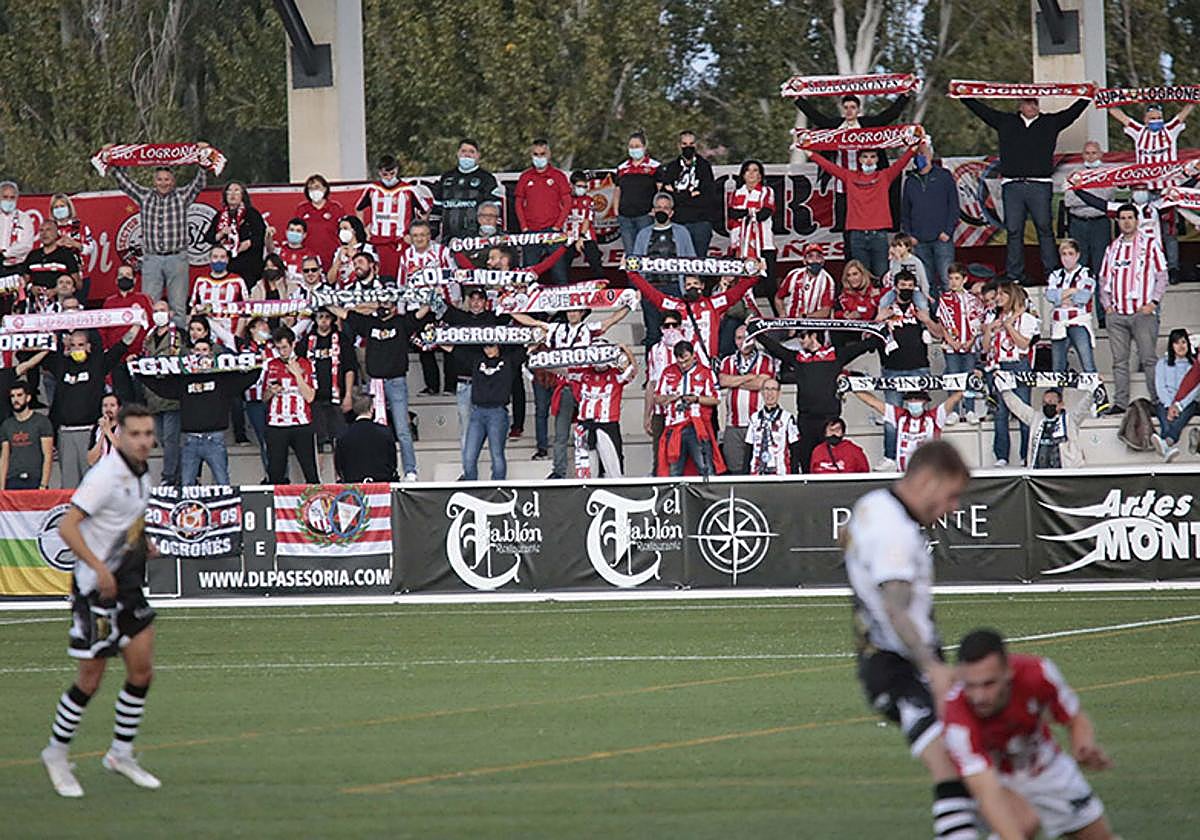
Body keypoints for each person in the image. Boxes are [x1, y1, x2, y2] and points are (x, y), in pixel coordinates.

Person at [843, 439, 975, 840]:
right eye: (952, 495)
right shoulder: (895, 532)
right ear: (928, 480)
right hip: (901, 667)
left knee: (973, 767)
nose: (953, 507)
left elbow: (844, 537)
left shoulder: (872, 503)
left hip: (885, 660)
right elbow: (896, 608)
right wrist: (932, 668)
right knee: (955, 767)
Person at [39, 403, 160, 798]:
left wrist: (144, 542)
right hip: (95, 589)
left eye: (148, 433)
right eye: (136, 434)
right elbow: (67, 527)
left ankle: (120, 753)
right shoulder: (105, 476)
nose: (143, 441)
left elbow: (123, 521)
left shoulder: (142, 473)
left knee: (142, 671)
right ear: (120, 435)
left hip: (126, 584)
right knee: (90, 679)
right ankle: (56, 753)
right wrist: (99, 568)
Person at [943, 629, 1116, 840]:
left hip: (1047, 769)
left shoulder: (1039, 673)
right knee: (1023, 822)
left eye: (989, 684)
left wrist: (1083, 746)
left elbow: (1074, 718)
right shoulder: (957, 719)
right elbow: (986, 792)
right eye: (970, 685)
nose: (979, 697)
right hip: (994, 778)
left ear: (1008, 671)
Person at [959, 95, 1089, 281]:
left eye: (1034, 103)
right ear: (1020, 105)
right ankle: (1014, 275)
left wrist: (1086, 97)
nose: (1031, 106)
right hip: (1012, 184)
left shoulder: (1050, 122)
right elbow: (983, 111)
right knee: (1013, 231)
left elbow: (1072, 114)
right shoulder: (1006, 121)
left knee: (1044, 229)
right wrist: (963, 95)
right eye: (1027, 103)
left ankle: (1052, 273)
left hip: (1040, 184)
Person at [793, 91, 910, 251]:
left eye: (853, 107)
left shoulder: (867, 125)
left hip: (868, 186)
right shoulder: (835, 127)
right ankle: (851, 268)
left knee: (872, 226)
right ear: (842, 110)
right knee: (846, 230)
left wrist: (905, 95)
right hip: (843, 185)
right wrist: (799, 100)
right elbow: (817, 118)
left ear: (859, 110)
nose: (849, 111)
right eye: (846, 107)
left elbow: (889, 115)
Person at [754, 325, 878, 472]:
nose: (799, 340)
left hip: (830, 420)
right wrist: (757, 333)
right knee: (807, 464)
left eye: (803, 336)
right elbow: (776, 349)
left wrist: (881, 331)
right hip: (806, 421)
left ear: (814, 336)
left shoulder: (835, 355)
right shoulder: (799, 358)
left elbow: (862, 347)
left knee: (832, 464)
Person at [138, 338, 261, 486]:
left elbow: (247, 379)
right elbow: (163, 389)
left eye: (204, 350)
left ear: (211, 353)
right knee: (187, 486)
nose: (200, 354)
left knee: (223, 484)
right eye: (197, 350)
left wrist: (259, 362)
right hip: (190, 441)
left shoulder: (222, 378)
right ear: (191, 353)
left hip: (215, 440)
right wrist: (139, 371)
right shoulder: (184, 378)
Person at [331, 298, 428, 481]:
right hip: (375, 383)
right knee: (372, 428)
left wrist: (433, 295)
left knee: (402, 429)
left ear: (394, 306)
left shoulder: (401, 322)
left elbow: (421, 312)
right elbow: (345, 314)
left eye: (389, 304)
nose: (384, 307)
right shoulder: (369, 323)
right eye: (382, 303)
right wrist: (322, 301)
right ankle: (374, 469)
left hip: (396, 382)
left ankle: (410, 470)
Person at [33, 327, 139, 488]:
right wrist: (49, 341)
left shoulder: (98, 364)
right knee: (69, 484)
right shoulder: (61, 365)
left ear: (89, 346)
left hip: (90, 432)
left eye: (81, 345)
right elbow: (30, 355)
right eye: (73, 345)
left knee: (92, 482)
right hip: (65, 433)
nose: (77, 349)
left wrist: (136, 323)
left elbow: (122, 345)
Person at [810, 143, 918, 280]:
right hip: (857, 235)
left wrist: (915, 145)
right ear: (859, 160)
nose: (869, 160)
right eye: (865, 157)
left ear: (877, 159)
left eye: (873, 157)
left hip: (879, 234)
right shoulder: (849, 176)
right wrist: (809, 152)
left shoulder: (885, 176)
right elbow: (829, 167)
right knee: (861, 278)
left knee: (882, 277)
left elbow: (902, 161)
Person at [1099, 203, 1167, 414]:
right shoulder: (1112, 247)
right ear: (1117, 222)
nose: (1127, 221)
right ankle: (1120, 403)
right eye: (1123, 218)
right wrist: (1107, 306)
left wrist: (1153, 303)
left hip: (1141, 313)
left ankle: (1157, 401)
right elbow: (1103, 279)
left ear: (1137, 220)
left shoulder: (1150, 244)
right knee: (1119, 361)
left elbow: (1162, 276)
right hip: (1117, 314)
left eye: (1130, 217)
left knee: (1148, 359)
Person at [876, 269, 945, 467]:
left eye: (909, 286)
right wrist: (879, 319)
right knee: (891, 417)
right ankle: (890, 457)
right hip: (892, 369)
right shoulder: (887, 307)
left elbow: (939, 334)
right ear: (895, 287)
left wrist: (927, 320)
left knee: (925, 417)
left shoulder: (920, 308)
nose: (906, 289)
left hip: (919, 368)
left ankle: (929, 458)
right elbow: (868, 337)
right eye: (902, 286)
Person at [627, 269, 756, 369]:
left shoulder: (714, 304)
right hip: (683, 365)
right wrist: (632, 273)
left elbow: (738, 291)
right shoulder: (677, 305)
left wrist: (756, 273)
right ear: (684, 287)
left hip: (706, 365)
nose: (692, 287)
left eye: (695, 283)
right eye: (688, 284)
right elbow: (652, 294)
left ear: (702, 286)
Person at [982, 281, 1039, 467]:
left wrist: (1009, 326)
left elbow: (1023, 344)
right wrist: (990, 330)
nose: (998, 297)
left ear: (1012, 296)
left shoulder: (1027, 319)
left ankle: (1026, 455)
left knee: (1023, 411)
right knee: (1000, 413)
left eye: (1002, 294)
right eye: (997, 293)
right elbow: (984, 348)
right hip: (999, 367)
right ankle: (1001, 456)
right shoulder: (992, 317)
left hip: (1019, 365)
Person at [630, 192, 698, 347]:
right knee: (653, 333)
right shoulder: (643, 234)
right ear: (653, 211)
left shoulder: (682, 232)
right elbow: (636, 264)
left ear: (671, 212)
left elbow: (692, 260)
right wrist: (640, 288)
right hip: (651, 289)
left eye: (666, 208)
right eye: (659, 207)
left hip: (675, 288)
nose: (662, 210)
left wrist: (691, 284)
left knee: (677, 332)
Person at [399, 218, 457, 396]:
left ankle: (450, 386)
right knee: (424, 348)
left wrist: (454, 301)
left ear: (429, 235)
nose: (419, 239)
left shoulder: (442, 252)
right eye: (415, 235)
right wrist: (402, 309)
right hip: (417, 308)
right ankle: (431, 386)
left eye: (423, 235)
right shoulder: (406, 256)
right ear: (410, 237)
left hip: (442, 306)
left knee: (448, 346)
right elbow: (402, 283)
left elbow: (453, 277)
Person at [901, 139, 959, 303]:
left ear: (931, 155)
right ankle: (933, 318)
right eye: (918, 154)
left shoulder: (944, 176)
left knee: (947, 280)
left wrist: (948, 231)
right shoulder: (910, 181)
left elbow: (954, 206)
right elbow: (905, 211)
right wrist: (909, 235)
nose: (921, 157)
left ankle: (952, 317)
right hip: (919, 240)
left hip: (942, 239)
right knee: (926, 283)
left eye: (924, 153)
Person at [852, 388, 964, 472]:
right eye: (910, 399)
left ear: (925, 402)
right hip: (903, 475)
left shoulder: (934, 416)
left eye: (917, 399)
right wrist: (852, 387)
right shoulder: (900, 416)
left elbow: (953, 400)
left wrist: (968, 384)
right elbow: (873, 403)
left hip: (929, 475)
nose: (913, 402)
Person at [1061, 141, 1114, 314]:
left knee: (1101, 269)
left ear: (1100, 154)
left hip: (1100, 223)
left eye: (1094, 153)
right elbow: (1069, 201)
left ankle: (1102, 313)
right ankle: (1079, 310)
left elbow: (1106, 199)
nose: (1090, 156)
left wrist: (1082, 195)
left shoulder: (1106, 174)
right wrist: (1092, 196)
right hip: (1078, 223)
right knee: (1078, 268)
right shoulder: (1074, 174)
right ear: (1083, 155)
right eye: (1087, 153)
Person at [654, 340, 721, 476]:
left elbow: (716, 399)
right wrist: (670, 398)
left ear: (693, 355)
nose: (683, 365)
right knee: (674, 470)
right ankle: (675, 497)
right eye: (680, 362)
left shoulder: (705, 372)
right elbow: (657, 397)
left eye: (686, 361)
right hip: (673, 426)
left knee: (705, 467)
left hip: (696, 426)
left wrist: (696, 399)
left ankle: (711, 496)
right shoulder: (668, 372)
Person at [356, 155, 431, 277]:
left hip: (400, 242)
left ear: (397, 170)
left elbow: (425, 210)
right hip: (377, 242)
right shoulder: (372, 189)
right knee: (378, 277)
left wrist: (415, 234)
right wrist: (364, 229)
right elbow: (359, 208)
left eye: (392, 173)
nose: (389, 177)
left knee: (400, 277)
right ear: (380, 172)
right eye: (386, 174)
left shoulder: (409, 190)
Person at [717, 323, 777, 474]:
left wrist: (735, 380)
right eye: (739, 338)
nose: (743, 341)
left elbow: (761, 383)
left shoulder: (766, 360)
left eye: (747, 337)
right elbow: (723, 381)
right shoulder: (727, 361)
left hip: (759, 424)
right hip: (733, 425)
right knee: (735, 469)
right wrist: (750, 377)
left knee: (760, 467)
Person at [297, 307, 357, 453]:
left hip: (336, 397)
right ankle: (319, 474)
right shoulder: (306, 341)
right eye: (320, 317)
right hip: (314, 398)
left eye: (327, 317)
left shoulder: (342, 339)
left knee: (341, 440)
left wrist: (348, 395)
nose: (323, 320)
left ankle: (341, 475)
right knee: (318, 444)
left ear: (332, 319)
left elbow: (350, 368)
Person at [263, 327, 319, 485]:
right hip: (276, 424)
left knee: (310, 470)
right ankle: (276, 508)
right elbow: (263, 398)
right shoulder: (271, 365)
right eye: (278, 348)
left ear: (293, 344)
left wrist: (297, 374)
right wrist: (271, 391)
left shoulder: (306, 364)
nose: (282, 352)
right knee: (275, 472)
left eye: (284, 347)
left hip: (301, 423)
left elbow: (310, 396)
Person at [997, 380, 1095, 469]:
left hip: (1065, 473)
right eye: (1045, 403)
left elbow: (1085, 405)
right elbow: (1017, 406)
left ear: (1061, 404)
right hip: (1039, 475)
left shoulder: (1071, 419)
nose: (1047, 405)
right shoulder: (1035, 418)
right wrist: (1004, 389)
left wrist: (1094, 388)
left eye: (1051, 402)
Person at [514, 138, 571, 285]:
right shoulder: (525, 177)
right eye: (536, 154)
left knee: (559, 271)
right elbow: (518, 203)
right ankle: (531, 307)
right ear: (531, 155)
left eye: (542, 154)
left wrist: (557, 226)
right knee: (529, 274)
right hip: (531, 232)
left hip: (553, 232)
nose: (539, 157)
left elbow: (567, 203)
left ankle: (562, 307)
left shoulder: (558, 176)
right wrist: (524, 227)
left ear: (549, 154)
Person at [576, 346, 637, 478]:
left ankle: (617, 494)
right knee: (587, 470)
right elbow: (559, 369)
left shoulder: (617, 374)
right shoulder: (584, 373)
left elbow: (633, 370)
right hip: (585, 425)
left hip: (607, 424)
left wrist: (626, 350)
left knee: (613, 468)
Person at [462, 343, 519, 481]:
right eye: (486, 347)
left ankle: (498, 488)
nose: (489, 350)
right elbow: (451, 348)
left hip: (497, 412)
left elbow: (530, 347)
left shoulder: (509, 360)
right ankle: (471, 489)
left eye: (492, 346)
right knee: (469, 456)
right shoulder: (476, 360)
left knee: (497, 455)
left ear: (498, 345)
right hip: (478, 412)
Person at [141, 301, 183, 486]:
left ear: (171, 313)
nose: (159, 314)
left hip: (172, 395)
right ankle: (178, 476)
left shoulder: (178, 335)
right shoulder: (149, 337)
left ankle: (169, 477)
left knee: (171, 439)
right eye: (156, 311)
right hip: (153, 396)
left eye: (162, 311)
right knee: (164, 441)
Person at [658, 129, 718, 257]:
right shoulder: (671, 167)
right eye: (684, 144)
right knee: (679, 262)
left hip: (701, 222)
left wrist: (679, 196)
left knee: (699, 263)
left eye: (691, 144)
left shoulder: (704, 166)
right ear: (679, 146)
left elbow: (708, 197)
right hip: (678, 222)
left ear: (696, 145)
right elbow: (667, 198)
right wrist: (690, 194)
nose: (688, 147)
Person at [937, 263, 985, 424]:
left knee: (969, 376)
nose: (953, 282)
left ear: (965, 279)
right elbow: (943, 324)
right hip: (951, 347)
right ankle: (954, 410)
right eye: (951, 279)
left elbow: (978, 323)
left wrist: (970, 341)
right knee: (953, 376)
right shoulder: (945, 299)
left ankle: (970, 409)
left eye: (957, 278)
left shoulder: (973, 300)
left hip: (969, 346)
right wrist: (952, 341)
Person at [430, 138, 504, 241]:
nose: (467, 155)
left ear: (478, 155)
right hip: (448, 238)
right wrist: (432, 232)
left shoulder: (487, 179)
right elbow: (436, 210)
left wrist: (493, 235)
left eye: (471, 152)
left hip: (476, 240)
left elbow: (495, 211)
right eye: (463, 151)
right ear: (457, 153)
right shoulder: (446, 178)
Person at [727, 159, 778, 307]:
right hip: (740, 246)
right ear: (742, 175)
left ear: (760, 176)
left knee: (769, 284)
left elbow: (765, 213)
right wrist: (752, 211)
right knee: (740, 284)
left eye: (755, 170)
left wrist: (744, 213)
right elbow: (732, 214)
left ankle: (780, 320)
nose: (751, 173)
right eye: (748, 170)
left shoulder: (767, 191)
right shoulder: (737, 193)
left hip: (763, 246)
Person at [101, 264, 154, 404]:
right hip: (117, 359)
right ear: (116, 280)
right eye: (121, 275)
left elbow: (150, 327)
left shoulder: (143, 299)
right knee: (124, 400)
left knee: (141, 398)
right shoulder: (109, 301)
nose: (124, 278)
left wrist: (143, 352)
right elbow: (103, 329)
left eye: (128, 275)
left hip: (138, 358)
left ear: (135, 280)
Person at [1044, 239, 1097, 374]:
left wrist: (1060, 296)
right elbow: (1050, 296)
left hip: (1078, 322)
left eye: (1070, 254)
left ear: (1077, 255)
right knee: (1057, 369)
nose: (1067, 258)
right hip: (1058, 324)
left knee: (1088, 365)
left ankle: (1097, 393)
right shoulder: (1055, 275)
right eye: (1064, 254)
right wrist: (1072, 291)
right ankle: (1056, 394)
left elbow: (1083, 298)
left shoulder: (1086, 273)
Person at [644, 311, 685, 476]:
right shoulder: (655, 350)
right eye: (667, 326)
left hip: (683, 411)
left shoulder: (691, 346)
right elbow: (651, 383)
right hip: (660, 412)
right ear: (661, 328)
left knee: (682, 455)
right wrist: (647, 414)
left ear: (681, 326)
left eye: (674, 325)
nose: (671, 329)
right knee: (659, 455)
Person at [237, 316, 277, 479]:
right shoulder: (243, 347)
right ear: (252, 329)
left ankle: (280, 476)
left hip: (275, 399)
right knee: (265, 439)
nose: (265, 327)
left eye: (266, 324)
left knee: (276, 440)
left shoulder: (275, 347)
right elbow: (225, 335)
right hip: (254, 401)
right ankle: (271, 475)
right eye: (260, 324)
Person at [189, 244, 250, 349]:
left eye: (222, 257)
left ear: (227, 259)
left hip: (230, 334)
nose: (218, 261)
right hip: (207, 336)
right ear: (210, 259)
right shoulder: (201, 281)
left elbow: (245, 311)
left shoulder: (237, 281)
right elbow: (194, 309)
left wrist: (236, 337)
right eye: (215, 257)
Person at [1154, 328, 1199, 461]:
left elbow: (1195, 390)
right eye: (1176, 343)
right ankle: (1167, 443)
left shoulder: (1195, 366)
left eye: (1183, 342)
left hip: (1188, 403)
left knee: (1188, 408)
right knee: (1162, 410)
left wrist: (1179, 406)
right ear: (1171, 345)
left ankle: (1166, 442)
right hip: (1167, 402)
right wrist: (1170, 406)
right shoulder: (1162, 364)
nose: (1181, 346)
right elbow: (1160, 387)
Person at [0, 380, 54, 490]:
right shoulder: (6, 425)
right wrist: (1, 488)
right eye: (12, 396)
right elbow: (4, 458)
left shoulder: (42, 421)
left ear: (28, 397)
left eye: (19, 395)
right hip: (12, 480)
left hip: (35, 480)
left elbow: (48, 456)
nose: (16, 399)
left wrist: (43, 484)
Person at [614, 131, 661, 255]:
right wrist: (616, 211)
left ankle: (644, 275)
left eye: (637, 146)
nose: (634, 149)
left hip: (645, 216)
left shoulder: (654, 166)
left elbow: (661, 190)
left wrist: (656, 209)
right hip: (625, 217)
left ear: (644, 147)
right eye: (631, 146)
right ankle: (633, 275)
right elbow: (617, 190)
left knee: (645, 252)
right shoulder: (622, 168)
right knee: (631, 254)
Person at [334, 395, 398, 483]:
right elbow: (392, 461)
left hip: (354, 485)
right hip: (382, 484)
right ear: (371, 408)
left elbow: (339, 465)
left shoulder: (344, 434)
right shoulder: (385, 432)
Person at [743, 378, 798, 476]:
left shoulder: (787, 418)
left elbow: (795, 449)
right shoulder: (754, 418)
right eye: (767, 389)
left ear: (779, 393)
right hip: (757, 473)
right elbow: (749, 448)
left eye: (773, 389)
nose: (770, 393)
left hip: (780, 473)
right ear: (762, 392)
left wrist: (794, 475)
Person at [23, 219, 82, 305]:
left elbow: (78, 285)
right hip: (36, 305)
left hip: (60, 304)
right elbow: (23, 282)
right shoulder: (32, 255)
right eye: (41, 230)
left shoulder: (66, 255)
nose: (44, 233)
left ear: (56, 234)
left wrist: (58, 290)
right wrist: (31, 288)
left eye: (48, 230)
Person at [294, 174, 345, 267]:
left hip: (331, 256)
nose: (314, 191)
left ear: (325, 189)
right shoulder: (302, 209)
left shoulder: (335, 208)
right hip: (308, 259)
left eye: (317, 187)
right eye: (310, 188)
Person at [776, 243, 834, 319]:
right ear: (804, 261)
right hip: (792, 323)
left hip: (816, 325)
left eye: (818, 257)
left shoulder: (828, 280)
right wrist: (782, 314)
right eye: (810, 256)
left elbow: (825, 311)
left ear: (823, 261)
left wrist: (805, 317)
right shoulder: (794, 275)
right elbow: (778, 297)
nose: (814, 260)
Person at [565, 170, 604, 275]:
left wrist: (581, 237)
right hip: (568, 237)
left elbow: (588, 219)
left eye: (585, 186)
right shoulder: (564, 199)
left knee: (596, 263)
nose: (582, 189)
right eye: (579, 186)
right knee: (562, 266)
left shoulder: (589, 200)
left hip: (586, 236)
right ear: (571, 185)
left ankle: (601, 286)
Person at [327, 215, 377, 288]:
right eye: (340, 229)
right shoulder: (339, 251)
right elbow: (330, 280)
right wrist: (338, 260)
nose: (342, 232)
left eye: (345, 228)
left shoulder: (368, 248)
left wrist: (354, 257)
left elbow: (375, 272)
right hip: (340, 293)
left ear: (355, 230)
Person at [269, 217, 318, 288]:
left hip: (302, 293)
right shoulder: (278, 252)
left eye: (298, 231)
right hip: (282, 293)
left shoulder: (311, 255)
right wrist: (268, 237)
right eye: (291, 230)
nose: (294, 233)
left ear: (304, 235)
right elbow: (269, 249)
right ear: (286, 232)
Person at [0, 180, 37, 271]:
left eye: (12, 197)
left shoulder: (24, 218)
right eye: (5, 197)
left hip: (16, 266)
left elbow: (26, 245)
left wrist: (5, 253)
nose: (8, 200)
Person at [884, 233, 929, 298]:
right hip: (898, 290)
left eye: (900, 246)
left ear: (908, 247)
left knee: (922, 304)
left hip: (914, 289)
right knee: (883, 302)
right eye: (895, 246)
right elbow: (895, 277)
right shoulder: (894, 261)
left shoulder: (916, 261)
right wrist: (898, 260)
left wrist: (925, 293)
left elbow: (923, 279)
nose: (897, 249)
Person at [87, 394, 121, 466]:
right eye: (105, 406)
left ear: (119, 408)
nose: (108, 409)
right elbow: (91, 460)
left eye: (112, 405)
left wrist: (108, 431)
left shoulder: (127, 427)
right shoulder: (97, 429)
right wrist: (102, 434)